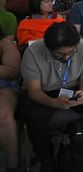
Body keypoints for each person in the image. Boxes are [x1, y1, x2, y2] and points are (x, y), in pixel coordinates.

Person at [21, 22, 83, 172]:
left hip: (73, 87)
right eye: (61, 54)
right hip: (45, 91)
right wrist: (54, 103)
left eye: (71, 52)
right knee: (33, 114)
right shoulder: (33, 53)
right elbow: (34, 91)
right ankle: (45, 158)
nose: (67, 57)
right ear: (49, 48)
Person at [0, 31, 21, 171]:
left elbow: (13, 71)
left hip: (4, 86)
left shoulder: (4, 43)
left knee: (3, 116)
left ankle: (13, 165)